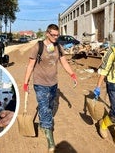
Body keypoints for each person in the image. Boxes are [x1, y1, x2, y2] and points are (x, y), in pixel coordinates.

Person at [23, 24, 77, 152]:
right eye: (53, 35)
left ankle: (44, 122)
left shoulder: (58, 46)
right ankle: (50, 140)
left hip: (53, 83)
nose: (55, 37)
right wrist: (25, 83)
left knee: (50, 106)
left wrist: (72, 74)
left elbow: (63, 61)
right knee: (45, 109)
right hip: (40, 83)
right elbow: (30, 66)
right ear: (47, 33)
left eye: (57, 35)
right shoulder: (39, 46)